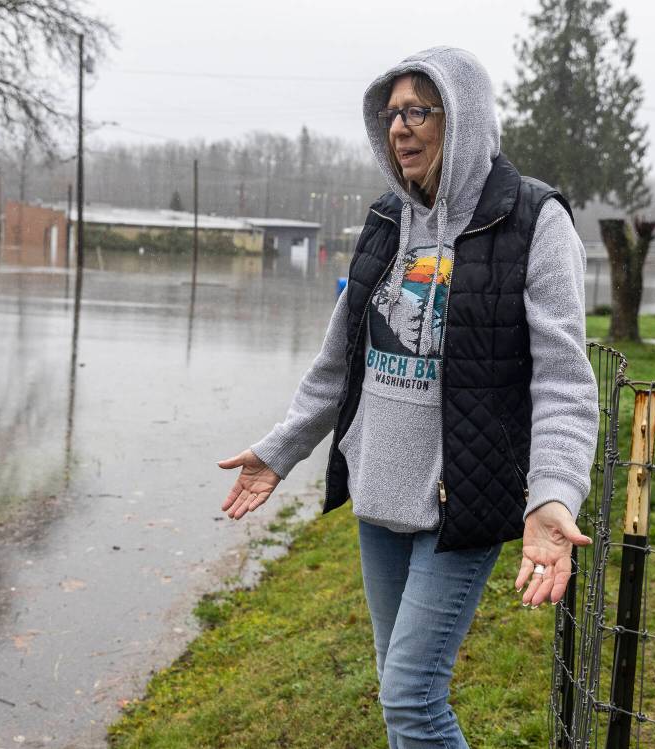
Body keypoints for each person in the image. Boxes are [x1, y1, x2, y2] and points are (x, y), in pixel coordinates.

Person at [218, 46, 598, 748]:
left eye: (419, 109)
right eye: (391, 113)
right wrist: (280, 450)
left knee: (411, 696)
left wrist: (553, 494)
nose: (400, 127)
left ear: (467, 118)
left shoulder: (533, 221)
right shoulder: (387, 221)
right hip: (380, 494)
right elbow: (339, 362)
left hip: (464, 500)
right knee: (399, 690)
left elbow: (564, 380)